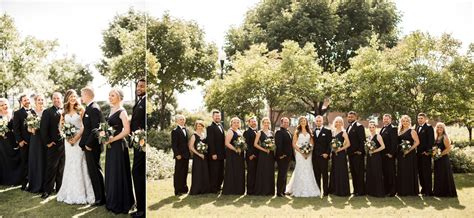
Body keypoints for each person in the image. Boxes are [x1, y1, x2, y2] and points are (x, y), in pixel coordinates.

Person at [56, 90, 95, 204]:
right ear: (67, 98)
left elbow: (85, 126)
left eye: (74, 96)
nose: (73, 98)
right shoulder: (64, 111)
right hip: (68, 142)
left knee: (79, 164)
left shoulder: (81, 109)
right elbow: (60, 126)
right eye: (70, 96)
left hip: (79, 140)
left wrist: (77, 137)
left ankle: (83, 193)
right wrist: (67, 137)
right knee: (69, 164)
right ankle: (69, 191)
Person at [104, 88, 134, 213]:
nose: (110, 97)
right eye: (109, 95)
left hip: (118, 146)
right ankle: (112, 200)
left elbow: (126, 131)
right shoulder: (111, 110)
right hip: (110, 146)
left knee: (118, 172)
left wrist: (113, 139)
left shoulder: (122, 112)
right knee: (111, 172)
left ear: (119, 98)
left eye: (113, 95)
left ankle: (121, 202)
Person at [79, 87, 106, 206]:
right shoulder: (89, 108)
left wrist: (89, 145)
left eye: (82, 95)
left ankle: (100, 198)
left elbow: (96, 128)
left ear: (87, 95)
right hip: (88, 146)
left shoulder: (94, 108)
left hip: (92, 147)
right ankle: (98, 197)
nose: (81, 97)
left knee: (95, 171)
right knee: (93, 172)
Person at [286, 116, 320, 197]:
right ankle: (297, 188)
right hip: (299, 153)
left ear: (306, 122)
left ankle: (310, 188)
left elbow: (312, 143)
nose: (303, 122)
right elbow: (294, 144)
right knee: (300, 168)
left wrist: (308, 152)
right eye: (301, 121)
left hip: (309, 153)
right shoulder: (297, 132)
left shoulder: (309, 131)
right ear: (299, 122)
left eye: (304, 121)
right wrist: (302, 151)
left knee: (308, 169)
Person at [40, 92, 65, 198]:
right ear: (52, 100)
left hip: (65, 144)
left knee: (61, 168)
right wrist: (48, 142)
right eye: (54, 98)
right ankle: (47, 190)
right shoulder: (47, 112)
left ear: (61, 99)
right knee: (51, 168)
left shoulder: (65, 110)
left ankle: (60, 189)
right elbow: (43, 129)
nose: (56, 100)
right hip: (53, 145)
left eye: (58, 98)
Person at [130, 79, 146, 218]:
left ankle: (142, 210)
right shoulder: (140, 101)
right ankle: (140, 206)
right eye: (138, 86)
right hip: (137, 143)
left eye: (142, 86)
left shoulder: (146, 102)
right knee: (137, 172)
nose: (139, 88)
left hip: (142, 144)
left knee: (137, 172)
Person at [13, 94, 35, 190]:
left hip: (34, 142)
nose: (27, 101)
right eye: (24, 100)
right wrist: (20, 140)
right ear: (21, 102)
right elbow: (16, 128)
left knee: (33, 162)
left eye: (28, 99)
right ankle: (24, 184)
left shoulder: (34, 111)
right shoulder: (17, 113)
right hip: (24, 142)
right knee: (25, 162)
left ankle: (33, 181)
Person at [396, 115, 420, 196]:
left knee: (408, 171)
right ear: (401, 122)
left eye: (406, 121)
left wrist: (408, 150)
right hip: (401, 154)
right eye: (403, 121)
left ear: (409, 122)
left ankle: (410, 191)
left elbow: (417, 142)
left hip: (409, 154)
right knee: (401, 171)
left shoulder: (412, 131)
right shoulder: (399, 131)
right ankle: (402, 190)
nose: (405, 122)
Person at [27, 94, 46, 193]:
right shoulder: (31, 113)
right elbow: (28, 128)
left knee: (44, 160)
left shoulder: (46, 112)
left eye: (42, 100)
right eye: (39, 100)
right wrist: (32, 130)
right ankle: (35, 184)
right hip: (35, 139)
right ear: (35, 101)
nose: (41, 101)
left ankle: (44, 184)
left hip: (45, 139)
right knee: (35, 160)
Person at [0, 98, 22, 186]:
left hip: (13, 140)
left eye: (5, 104)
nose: (4, 106)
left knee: (15, 158)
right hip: (2, 141)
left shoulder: (14, 113)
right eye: (1, 105)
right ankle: (5, 180)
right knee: (4, 160)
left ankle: (16, 179)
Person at [432, 122, 457, 197]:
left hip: (443, 159)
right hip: (437, 159)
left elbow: (448, 148)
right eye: (438, 127)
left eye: (441, 127)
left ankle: (446, 192)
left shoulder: (445, 137)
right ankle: (438, 192)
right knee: (438, 175)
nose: (439, 128)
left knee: (444, 175)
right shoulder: (436, 137)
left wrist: (440, 154)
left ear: (443, 129)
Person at [222, 117, 245, 195]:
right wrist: (235, 149)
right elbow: (227, 143)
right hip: (232, 154)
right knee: (232, 170)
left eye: (237, 122)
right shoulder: (230, 131)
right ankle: (231, 189)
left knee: (239, 170)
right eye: (234, 122)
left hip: (240, 154)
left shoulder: (239, 131)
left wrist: (242, 148)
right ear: (231, 123)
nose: (236, 124)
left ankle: (239, 189)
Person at [328, 116, 351, 196]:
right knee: (334, 170)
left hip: (341, 154)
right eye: (337, 121)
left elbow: (348, 144)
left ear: (342, 123)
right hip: (334, 154)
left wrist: (340, 149)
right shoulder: (333, 132)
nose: (338, 123)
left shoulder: (344, 132)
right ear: (335, 122)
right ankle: (334, 189)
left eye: (340, 122)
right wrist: (333, 149)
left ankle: (341, 191)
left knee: (341, 171)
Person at [346, 111, 366, 196]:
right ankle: (355, 190)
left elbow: (362, 140)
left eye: (352, 117)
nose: (350, 118)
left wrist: (360, 151)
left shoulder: (359, 126)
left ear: (356, 117)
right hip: (351, 154)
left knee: (359, 173)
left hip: (357, 154)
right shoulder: (348, 127)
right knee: (353, 173)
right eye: (349, 117)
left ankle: (361, 191)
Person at [254, 117, 275, 196]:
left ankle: (270, 191)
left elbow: (273, 143)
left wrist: (272, 147)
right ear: (262, 123)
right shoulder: (259, 132)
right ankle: (262, 190)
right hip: (263, 155)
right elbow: (255, 144)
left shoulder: (272, 132)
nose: (266, 124)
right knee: (263, 171)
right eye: (265, 122)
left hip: (271, 155)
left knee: (269, 171)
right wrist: (264, 150)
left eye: (267, 122)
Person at [188, 120, 211, 195]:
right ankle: (196, 189)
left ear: (203, 126)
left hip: (204, 156)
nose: (199, 127)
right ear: (196, 126)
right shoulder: (194, 135)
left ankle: (204, 189)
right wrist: (199, 154)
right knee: (198, 172)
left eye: (201, 125)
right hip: (197, 157)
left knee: (204, 172)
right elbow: (191, 147)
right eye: (198, 125)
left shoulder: (204, 134)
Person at [312, 115, 332, 197]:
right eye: (317, 121)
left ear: (322, 121)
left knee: (324, 175)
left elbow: (329, 144)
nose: (318, 122)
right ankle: (318, 191)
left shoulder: (327, 131)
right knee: (316, 175)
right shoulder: (312, 132)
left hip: (323, 157)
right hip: (315, 157)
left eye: (320, 121)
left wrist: (327, 153)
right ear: (315, 122)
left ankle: (326, 192)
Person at [206, 110, 225, 193]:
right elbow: (211, 142)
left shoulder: (221, 125)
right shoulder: (210, 127)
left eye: (219, 116)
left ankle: (218, 186)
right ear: (212, 117)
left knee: (220, 171)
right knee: (214, 171)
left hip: (221, 154)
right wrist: (213, 153)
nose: (218, 117)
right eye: (216, 116)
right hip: (215, 154)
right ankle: (213, 189)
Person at [365, 120, 386, 197]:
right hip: (370, 157)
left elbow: (383, 146)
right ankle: (371, 191)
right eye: (370, 127)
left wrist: (374, 151)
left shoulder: (378, 136)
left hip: (376, 157)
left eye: (373, 127)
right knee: (370, 173)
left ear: (375, 127)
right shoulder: (369, 137)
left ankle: (378, 192)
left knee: (376, 173)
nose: (371, 128)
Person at [416, 113, 435, 196]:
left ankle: (428, 191)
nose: (420, 120)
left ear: (425, 119)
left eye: (421, 118)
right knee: (420, 172)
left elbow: (431, 140)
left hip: (425, 154)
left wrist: (427, 151)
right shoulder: (417, 127)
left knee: (426, 172)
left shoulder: (429, 127)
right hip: (418, 154)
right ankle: (423, 189)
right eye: (419, 118)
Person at [171, 114, 190, 196]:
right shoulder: (175, 131)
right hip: (179, 156)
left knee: (184, 172)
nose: (182, 120)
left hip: (186, 155)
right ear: (177, 121)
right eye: (180, 119)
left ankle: (184, 188)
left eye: (183, 119)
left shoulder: (186, 130)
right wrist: (177, 154)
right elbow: (174, 144)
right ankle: (177, 190)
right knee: (178, 173)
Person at [380, 114, 398, 197]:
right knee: (385, 173)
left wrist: (391, 153)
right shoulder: (383, 128)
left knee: (391, 173)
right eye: (384, 119)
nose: (385, 120)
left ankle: (392, 191)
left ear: (390, 119)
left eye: (387, 119)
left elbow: (394, 142)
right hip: (383, 155)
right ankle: (386, 190)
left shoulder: (393, 128)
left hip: (389, 155)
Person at [275, 117, 293, 197]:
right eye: (285, 122)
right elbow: (279, 145)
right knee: (281, 174)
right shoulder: (279, 132)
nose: (286, 123)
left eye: (287, 122)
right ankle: (279, 192)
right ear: (281, 123)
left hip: (288, 157)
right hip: (282, 157)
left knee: (285, 174)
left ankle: (283, 190)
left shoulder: (288, 131)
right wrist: (281, 155)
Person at [243, 117, 258, 195]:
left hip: (257, 156)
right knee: (251, 173)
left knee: (255, 173)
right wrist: (250, 154)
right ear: (249, 123)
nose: (254, 123)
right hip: (251, 156)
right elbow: (246, 145)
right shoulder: (246, 132)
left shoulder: (257, 131)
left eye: (255, 121)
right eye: (252, 122)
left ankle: (255, 189)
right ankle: (249, 191)